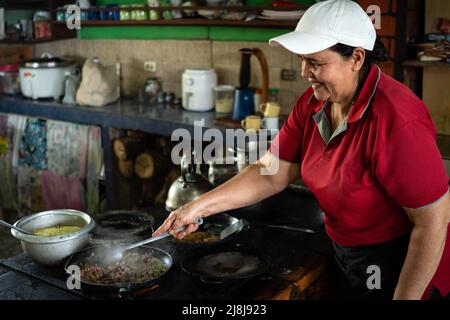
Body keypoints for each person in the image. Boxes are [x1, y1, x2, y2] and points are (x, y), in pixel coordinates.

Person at [153, 0, 450, 300]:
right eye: (302, 60)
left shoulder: (397, 120)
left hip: (400, 262)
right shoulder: (313, 103)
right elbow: (270, 173)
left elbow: (433, 222)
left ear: (357, 58)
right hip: (345, 251)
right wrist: (195, 207)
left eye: (316, 62)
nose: (304, 72)